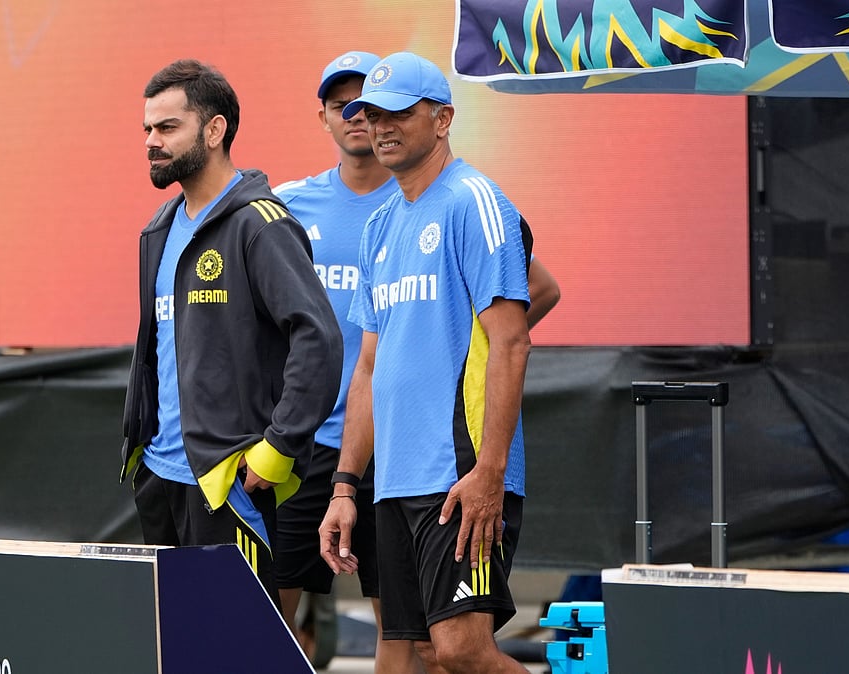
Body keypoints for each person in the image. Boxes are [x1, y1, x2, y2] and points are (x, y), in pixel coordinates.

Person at [277, 51, 561, 672]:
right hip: (395, 481)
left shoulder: (474, 201)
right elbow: (369, 369)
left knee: (461, 650)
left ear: (442, 118)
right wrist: (345, 486)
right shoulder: (382, 224)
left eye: (398, 114)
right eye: (369, 114)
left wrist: (488, 473)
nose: (381, 126)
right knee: (417, 653)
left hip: (459, 474)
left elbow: (512, 343)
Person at [119, 59, 343, 607]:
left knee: (236, 650)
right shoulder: (159, 227)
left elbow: (319, 339)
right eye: (148, 128)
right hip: (159, 475)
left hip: (227, 482)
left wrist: (277, 448)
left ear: (214, 130)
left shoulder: (260, 224)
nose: (152, 141)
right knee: (176, 646)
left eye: (167, 127)